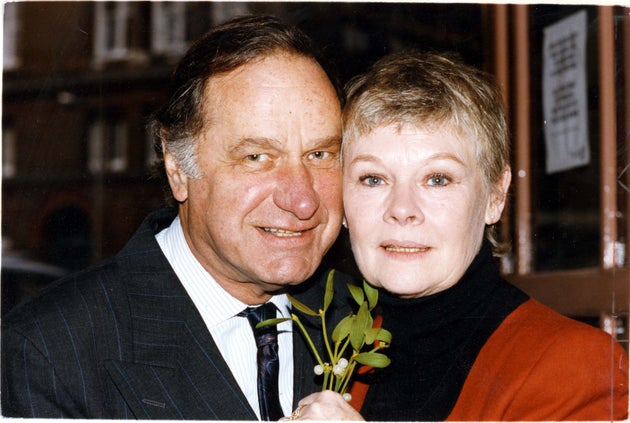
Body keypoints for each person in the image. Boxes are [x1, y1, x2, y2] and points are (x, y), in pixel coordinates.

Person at [1, 15, 354, 419]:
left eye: (321, 155)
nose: (303, 200)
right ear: (178, 170)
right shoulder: (49, 353)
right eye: (256, 157)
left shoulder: (364, 320)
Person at [289, 52, 628, 420]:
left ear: (495, 197)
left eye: (438, 179)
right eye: (373, 179)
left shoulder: (575, 366)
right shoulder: (329, 347)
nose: (402, 209)